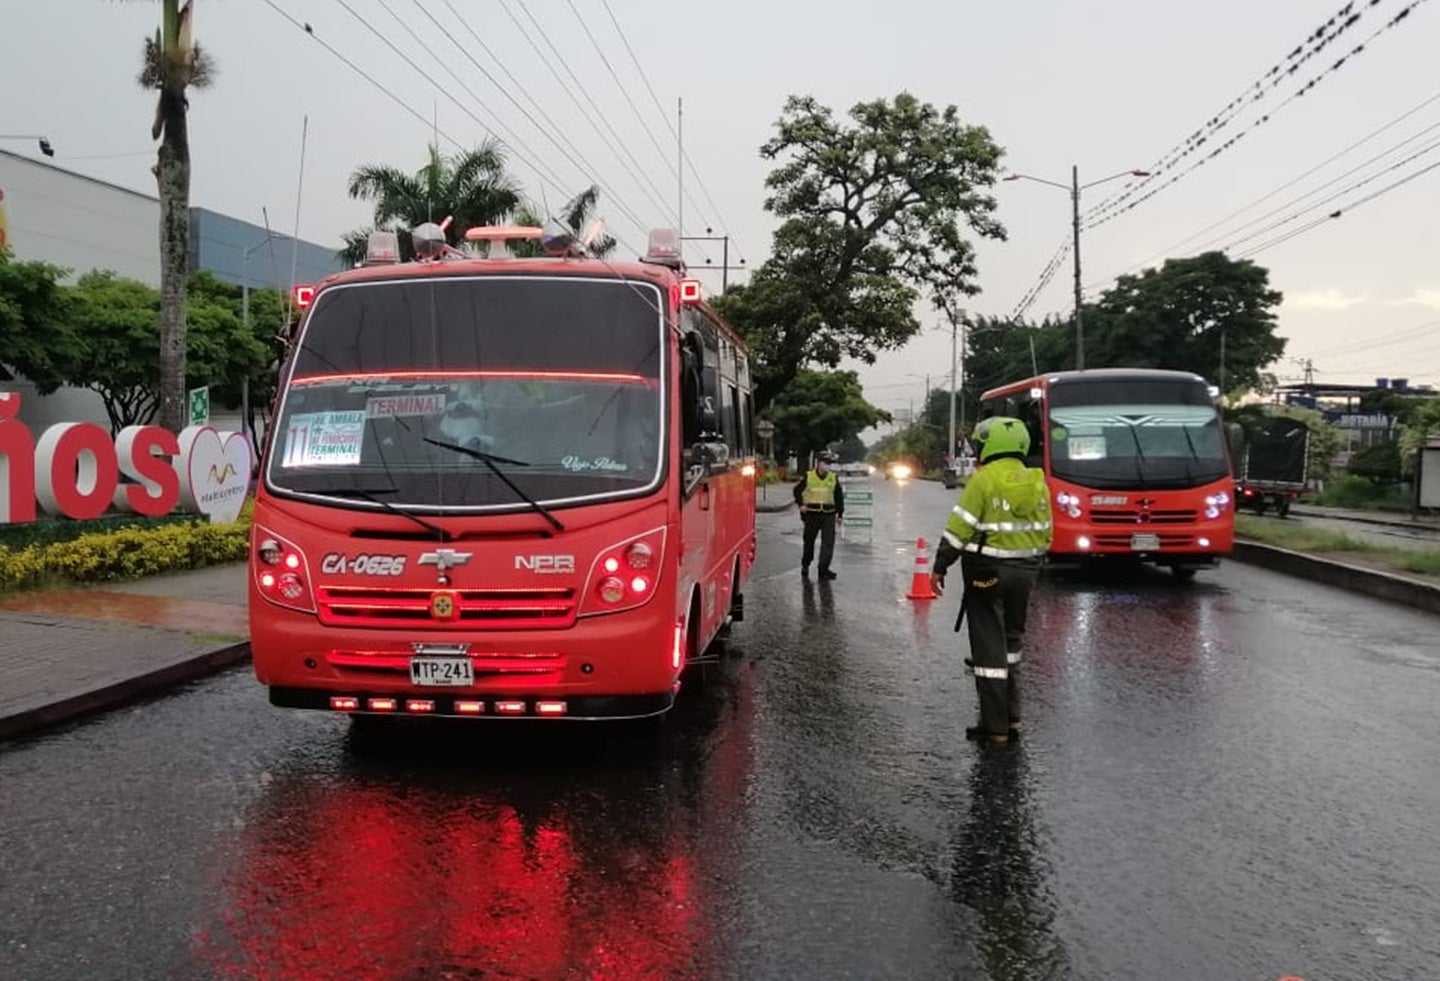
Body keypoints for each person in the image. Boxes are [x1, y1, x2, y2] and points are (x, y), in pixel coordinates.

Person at [930, 417, 1052, 744]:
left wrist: (940, 566)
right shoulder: (1038, 481)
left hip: (987, 573)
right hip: (1026, 572)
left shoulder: (983, 481)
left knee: (988, 650)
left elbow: (959, 530)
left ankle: (994, 727)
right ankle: (1013, 718)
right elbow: (1047, 533)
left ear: (989, 445)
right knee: (1012, 644)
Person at [793, 451, 845, 580]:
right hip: (812, 514)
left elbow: (838, 496)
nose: (828, 466)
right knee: (809, 542)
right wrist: (801, 504)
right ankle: (806, 564)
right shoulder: (809, 476)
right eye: (825, 463)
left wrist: (840, 514)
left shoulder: (833, 477)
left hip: (828, 514)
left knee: (828, 543)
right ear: (818, 463)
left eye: (829, 464)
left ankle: (823, 569)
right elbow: (797, 490)